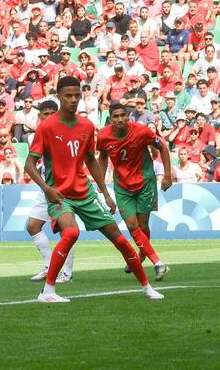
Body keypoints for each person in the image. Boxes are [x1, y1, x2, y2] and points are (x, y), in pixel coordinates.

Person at [23, 76, 164, 303]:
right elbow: (29, 165)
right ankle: (48, 291)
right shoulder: (46, 127)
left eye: (77, 95)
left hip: (85, 192)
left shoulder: (87, 126)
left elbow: (91, 159)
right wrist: (46, 189)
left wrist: (105, 193)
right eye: (68, 96)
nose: (73, 100)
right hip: (59, 194)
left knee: (119, 239)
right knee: (71, 232)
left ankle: (147, 287)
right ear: (58, 97)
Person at [96, 102, 172, 280]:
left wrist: (167, 175)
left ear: (127, 116)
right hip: (122, 186)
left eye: (123, 115)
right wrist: (102, 184)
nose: (120, 119)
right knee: (131, 225)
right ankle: (157, 262)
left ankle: (141, 254)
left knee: (142, 225)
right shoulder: (103, 136)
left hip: (145, 182)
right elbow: (103, 157)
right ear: (110, 118)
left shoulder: (141, 131)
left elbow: (163, 146)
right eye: (116, 116)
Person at [25, 100, 75, 284]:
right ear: (40, 117)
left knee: (66, 230)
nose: (49, 117)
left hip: (63, 188)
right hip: (45, 188)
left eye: (52, 113)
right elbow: (33, 163)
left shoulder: (65, 133)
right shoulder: (37, 135)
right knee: (32, 226)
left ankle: (67, 272)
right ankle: (48, 266)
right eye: (45, 114)